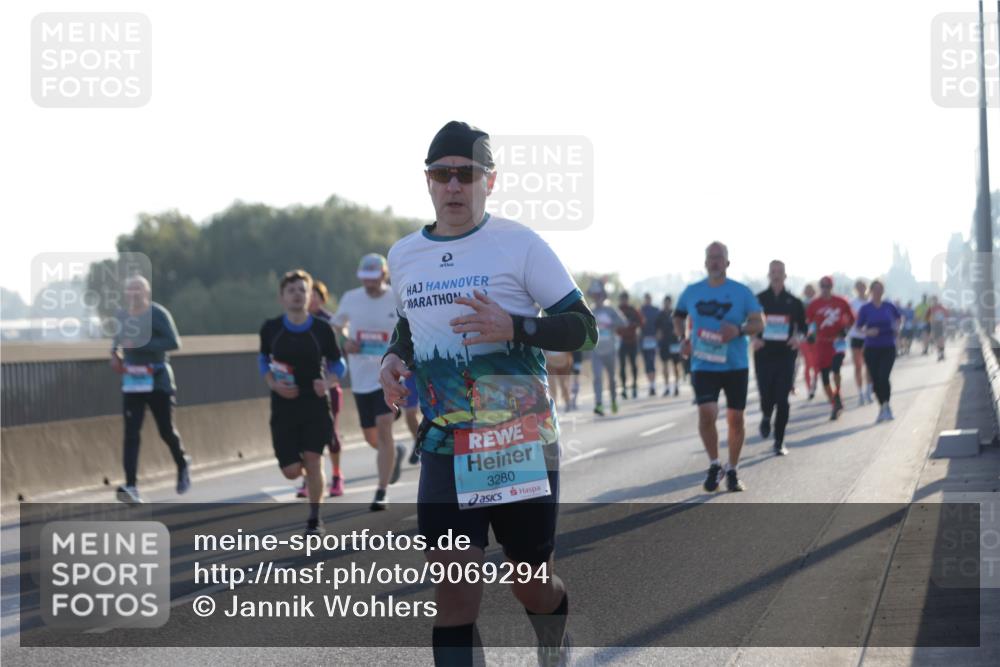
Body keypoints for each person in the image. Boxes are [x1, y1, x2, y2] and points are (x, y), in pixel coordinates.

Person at [379, 121, 596, 666]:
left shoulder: (519, 244)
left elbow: (583, 327)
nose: (454, 185)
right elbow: (409, 324)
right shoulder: (405, 254)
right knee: (454, 594)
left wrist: (518, 327)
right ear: (427, 182)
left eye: (466, 174)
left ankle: (553, 637)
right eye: (441, 174)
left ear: (489, 181)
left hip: (515, 438)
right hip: (446, 444)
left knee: (529, 580)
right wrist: (392, 358)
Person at [259, 269, 345, 535]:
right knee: (292, 472)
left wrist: (328, 382)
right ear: (282, 297)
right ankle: (308, 477)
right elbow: (263, 360)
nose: (297, 295)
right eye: (291, 290)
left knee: (313, 459)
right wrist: (273, 384)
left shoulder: (322, 330)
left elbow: (338, 363)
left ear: (310, 297)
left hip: (315, 404)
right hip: (283, 407)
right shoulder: (271, 328)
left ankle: (315, 518)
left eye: (302, 290)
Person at [674, 241, 764, 493]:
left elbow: (759, 322)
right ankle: (715, 463)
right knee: (707, 412)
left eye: (719, 257)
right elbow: (678, 315)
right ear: (705, 263)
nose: (714, 261)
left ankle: (732, 469)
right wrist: (682, 339)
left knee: (735, 418)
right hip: (703, 363)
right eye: (710, 257)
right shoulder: (692, 291)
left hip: (735, 364)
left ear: (727, 262)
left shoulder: (741, 292)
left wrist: (739, 329)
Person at [332, 253, 408, 511]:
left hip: (387, 376)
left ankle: (381, 491)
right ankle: (394, 453)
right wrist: (345, 341)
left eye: (374, 278)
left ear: (384, 275)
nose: (369, 283)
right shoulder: (351, 298)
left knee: (384, 425)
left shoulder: (395, 297)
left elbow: (410, 326)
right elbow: (336, 326)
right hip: (361, 378)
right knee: (371, 436)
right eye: (365, 278)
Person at [110, 276, 191, 504]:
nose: (134, 293)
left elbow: (174, 342)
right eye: (130, 290)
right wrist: (114, 356)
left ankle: (182, 461)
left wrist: (142, 344)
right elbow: (116, 343)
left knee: (165, 430)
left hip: (158, 380)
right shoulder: (122, 316)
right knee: (131, 433)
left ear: (147, 292)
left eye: (138, 289)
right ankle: (131, 486)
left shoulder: (158, 314)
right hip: (133, 382)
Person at [297, 279, 346, 497]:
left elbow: (339, 356)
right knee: (304, 437)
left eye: (316, 295)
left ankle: (336, 475)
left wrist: (329, 381)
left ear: (322, 298)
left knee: (331, 436)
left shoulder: (329, 323)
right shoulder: (297, 322)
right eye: (310, 294)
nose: (312, 299)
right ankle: (309, 480)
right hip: (304, 390)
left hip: (328, 387)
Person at [752, 261, 807, 456]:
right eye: (773, 272)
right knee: (767, 396)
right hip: (764, 355)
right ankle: (766, 415)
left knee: (782, 399)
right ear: (769, 275)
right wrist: (753, 339)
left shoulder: (794, 302)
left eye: (780, 272)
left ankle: (779, 441)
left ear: (785, 275)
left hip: (785, 356)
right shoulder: (758, 300)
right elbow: (747, 324)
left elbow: (804, 328)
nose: (776, 275)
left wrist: (797, 338)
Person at [806, 276, 855, 421]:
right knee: (825, 377)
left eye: (828, 286)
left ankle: (838, 392)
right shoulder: (814, 304)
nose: (825, 289)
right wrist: (810, 334)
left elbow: (851, 319)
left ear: (832, 287)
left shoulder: (841, 302)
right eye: (822, 286)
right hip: (822, 343)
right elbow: (810, 322)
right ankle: (835, 403)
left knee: (836, 368)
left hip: (837, 342)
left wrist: (845, 330)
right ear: (820, 287)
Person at [857, 280, 901, 422]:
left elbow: (898, 319)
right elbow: (859, 327)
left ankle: (887, 405)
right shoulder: (866, 308)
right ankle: (881, 407)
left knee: (884, 376)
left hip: (888, 346)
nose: (878, 292)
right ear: (871, 291)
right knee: (875, 380)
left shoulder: (889, 306)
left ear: (883, 291)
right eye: (875, 289)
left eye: (880, 289)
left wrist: (896, 328)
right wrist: (868, 331)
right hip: (872, 348)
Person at [589, 281, 624, 415]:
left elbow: (623, 321)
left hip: (610, 349)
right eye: (595, 296)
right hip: (596, 350)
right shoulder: (590, 311)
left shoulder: (610, 310)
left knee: (611, 378)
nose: (597, 298)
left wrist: (609, 324)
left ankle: (614, 400)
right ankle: (599, 404)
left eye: (599, 296)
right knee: (597, 377)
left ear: (603, 296)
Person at [848, 280, 874, 406]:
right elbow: (848, 319)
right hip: (856, 336)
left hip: (869, 337)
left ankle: (868, 391)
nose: (861, 289)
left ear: (866, 288)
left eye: (863, 286)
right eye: (858, 287)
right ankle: (860, 393)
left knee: (869, 365)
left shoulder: (871, 303)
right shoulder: (852, 303)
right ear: (855, 289)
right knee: (858, 366)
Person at [616, 291, 644, 399]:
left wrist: (633, 325)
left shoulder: (633, 310)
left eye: (625, 299)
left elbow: (641, 322)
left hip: (632, 341)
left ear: (627, 299)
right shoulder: (617, 311)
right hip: (621, 342)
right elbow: (612, 324)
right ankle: (623, 388)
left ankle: (634, 387)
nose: (623, 301)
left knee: (633, 365)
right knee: (622, 366)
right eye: (622, 299)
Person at [656, 295, 684, 396]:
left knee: (676, 365)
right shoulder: (660, 314)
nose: (667, 304)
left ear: (671, 303)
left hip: (674, 342)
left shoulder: (675, 313)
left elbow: (681, 326)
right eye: (665, 302)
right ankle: (667, 387)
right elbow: (657, 330)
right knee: (664, 365)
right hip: (664, 343)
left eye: (668, 302)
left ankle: (676, 386)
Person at [800, 283, 819, 399]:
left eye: (811, 290)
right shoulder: (800, 304)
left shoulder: (818, 303)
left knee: (816, 364)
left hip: (817, 337)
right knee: (807, 364)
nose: (809, 292)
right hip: (804, 338)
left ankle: (814, 383)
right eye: (807, 290)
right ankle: (809, 389)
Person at [639, 293, 661, 396]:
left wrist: (658, 333)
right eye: (646, 298)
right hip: (644, 340)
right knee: (647, 363)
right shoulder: (641, 310)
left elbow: (660, 324)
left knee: (652, 362)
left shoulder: (656, 310)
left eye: (649, 298)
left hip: (653, 339)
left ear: (651, 299)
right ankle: (650, 384)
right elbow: (638, 324)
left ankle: (652, 385)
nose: (647, 300)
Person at [926, 296, 949, 361]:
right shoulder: (931, 308)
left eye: (935, 300)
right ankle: (939, 354)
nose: (934, 301)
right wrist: (931, 327)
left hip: (941, 325)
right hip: (934, 325)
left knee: (941, 339)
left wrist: (945, 323)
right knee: (936, 341)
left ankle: (942, 353)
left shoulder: (941, 307)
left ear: (937, 300)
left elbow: (946, 315)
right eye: (933, 300)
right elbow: (930, 318)